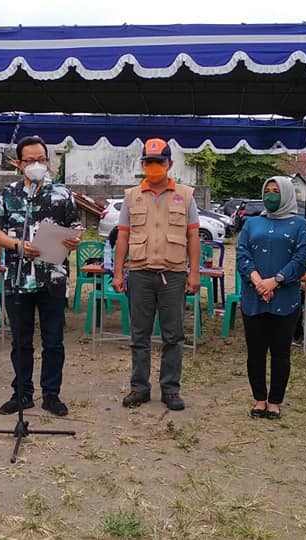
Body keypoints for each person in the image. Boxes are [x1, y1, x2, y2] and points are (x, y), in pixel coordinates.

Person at [0, 136, 82, 417]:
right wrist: (17, 245)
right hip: (18, 280)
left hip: (52, 278)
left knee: (53, 340)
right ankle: (22, 392)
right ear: (19, 164)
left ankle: (51, 394)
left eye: (41, 159)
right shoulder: (8, 194)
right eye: (30, 160)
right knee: (21, 341)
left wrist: (75, 239)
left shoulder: (62, 194)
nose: (37, 165)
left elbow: (76, 227)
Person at [112, 138, 200, 412]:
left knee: (173, 335)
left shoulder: (185, 195)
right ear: (142, 165)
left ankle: (171, 389)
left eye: (159, 162)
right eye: (148, 163)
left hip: (173, 275)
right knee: (140, 335)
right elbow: (122, 238)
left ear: (169, 164)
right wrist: (118, 271)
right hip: (139, 273)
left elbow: (194, 236)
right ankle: (139, 387)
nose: (153, 167)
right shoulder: (131, 196)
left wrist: (193, 272)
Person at [235, 177, 306, 420]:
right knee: (255, 352)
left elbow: (302, 257)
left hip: (284, 297)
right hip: (253, 296)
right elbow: (242, 253)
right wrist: (258, 281)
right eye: (267, 191)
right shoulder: (252, 223)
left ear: (286, 194)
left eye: (276, 191)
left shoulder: (300, 224)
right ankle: (259, 399)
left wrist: (276, 280)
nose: (271, 195)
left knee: (280, 352)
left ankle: (275, 401)